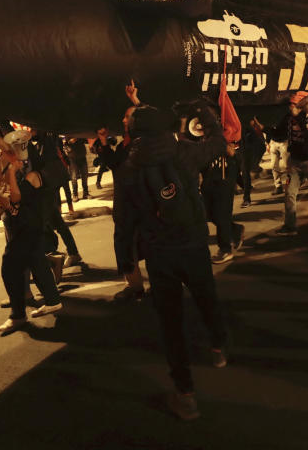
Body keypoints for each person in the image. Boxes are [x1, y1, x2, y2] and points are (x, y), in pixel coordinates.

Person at [114, 91, 228, 421]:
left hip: (159, 253)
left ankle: (185, 394)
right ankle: (219, 347)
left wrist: (126, 261)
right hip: (192, 244)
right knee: (207, 297)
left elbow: (123, 221)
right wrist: (204, 114)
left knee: (171, 323)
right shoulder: (184, 152)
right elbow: (218, 142)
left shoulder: (128, 169)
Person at [0, 123, 63, 335]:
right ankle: (51, 300)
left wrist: (13, 174)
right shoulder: (10, 161)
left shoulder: (24, 167)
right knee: (34, 259)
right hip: (23, 222)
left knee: (10, 267)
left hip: (27, 224)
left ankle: (18, 315)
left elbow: (16, 197)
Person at [98, 81, 146, 302]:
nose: (123, 120)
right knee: (126, 248)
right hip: (125, 207)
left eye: (127, 117)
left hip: (140, 205)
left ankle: (141, 289)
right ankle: (134, 286)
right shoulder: (124, 145)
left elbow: (151, 124)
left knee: (142, 247)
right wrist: (102, 143)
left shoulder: (143, 143)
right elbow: (114, 164)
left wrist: (136, 101)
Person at [274, 91, 308, 234]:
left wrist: (300, 119)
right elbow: (278, 133)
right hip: (294, 161)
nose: (291, 108)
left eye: (295, 105)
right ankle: (290, 226)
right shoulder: (288, 118)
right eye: (290, 105)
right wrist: (262, 128)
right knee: (289, 193)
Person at [201, 140, 243, 264]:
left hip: (224, 183)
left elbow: (239, 159)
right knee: (209, 215)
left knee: (222, 216)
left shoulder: (224, 140)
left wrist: (233, 154)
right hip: (208, 183)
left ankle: (225, 249)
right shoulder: (199, 144)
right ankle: (235, 229)